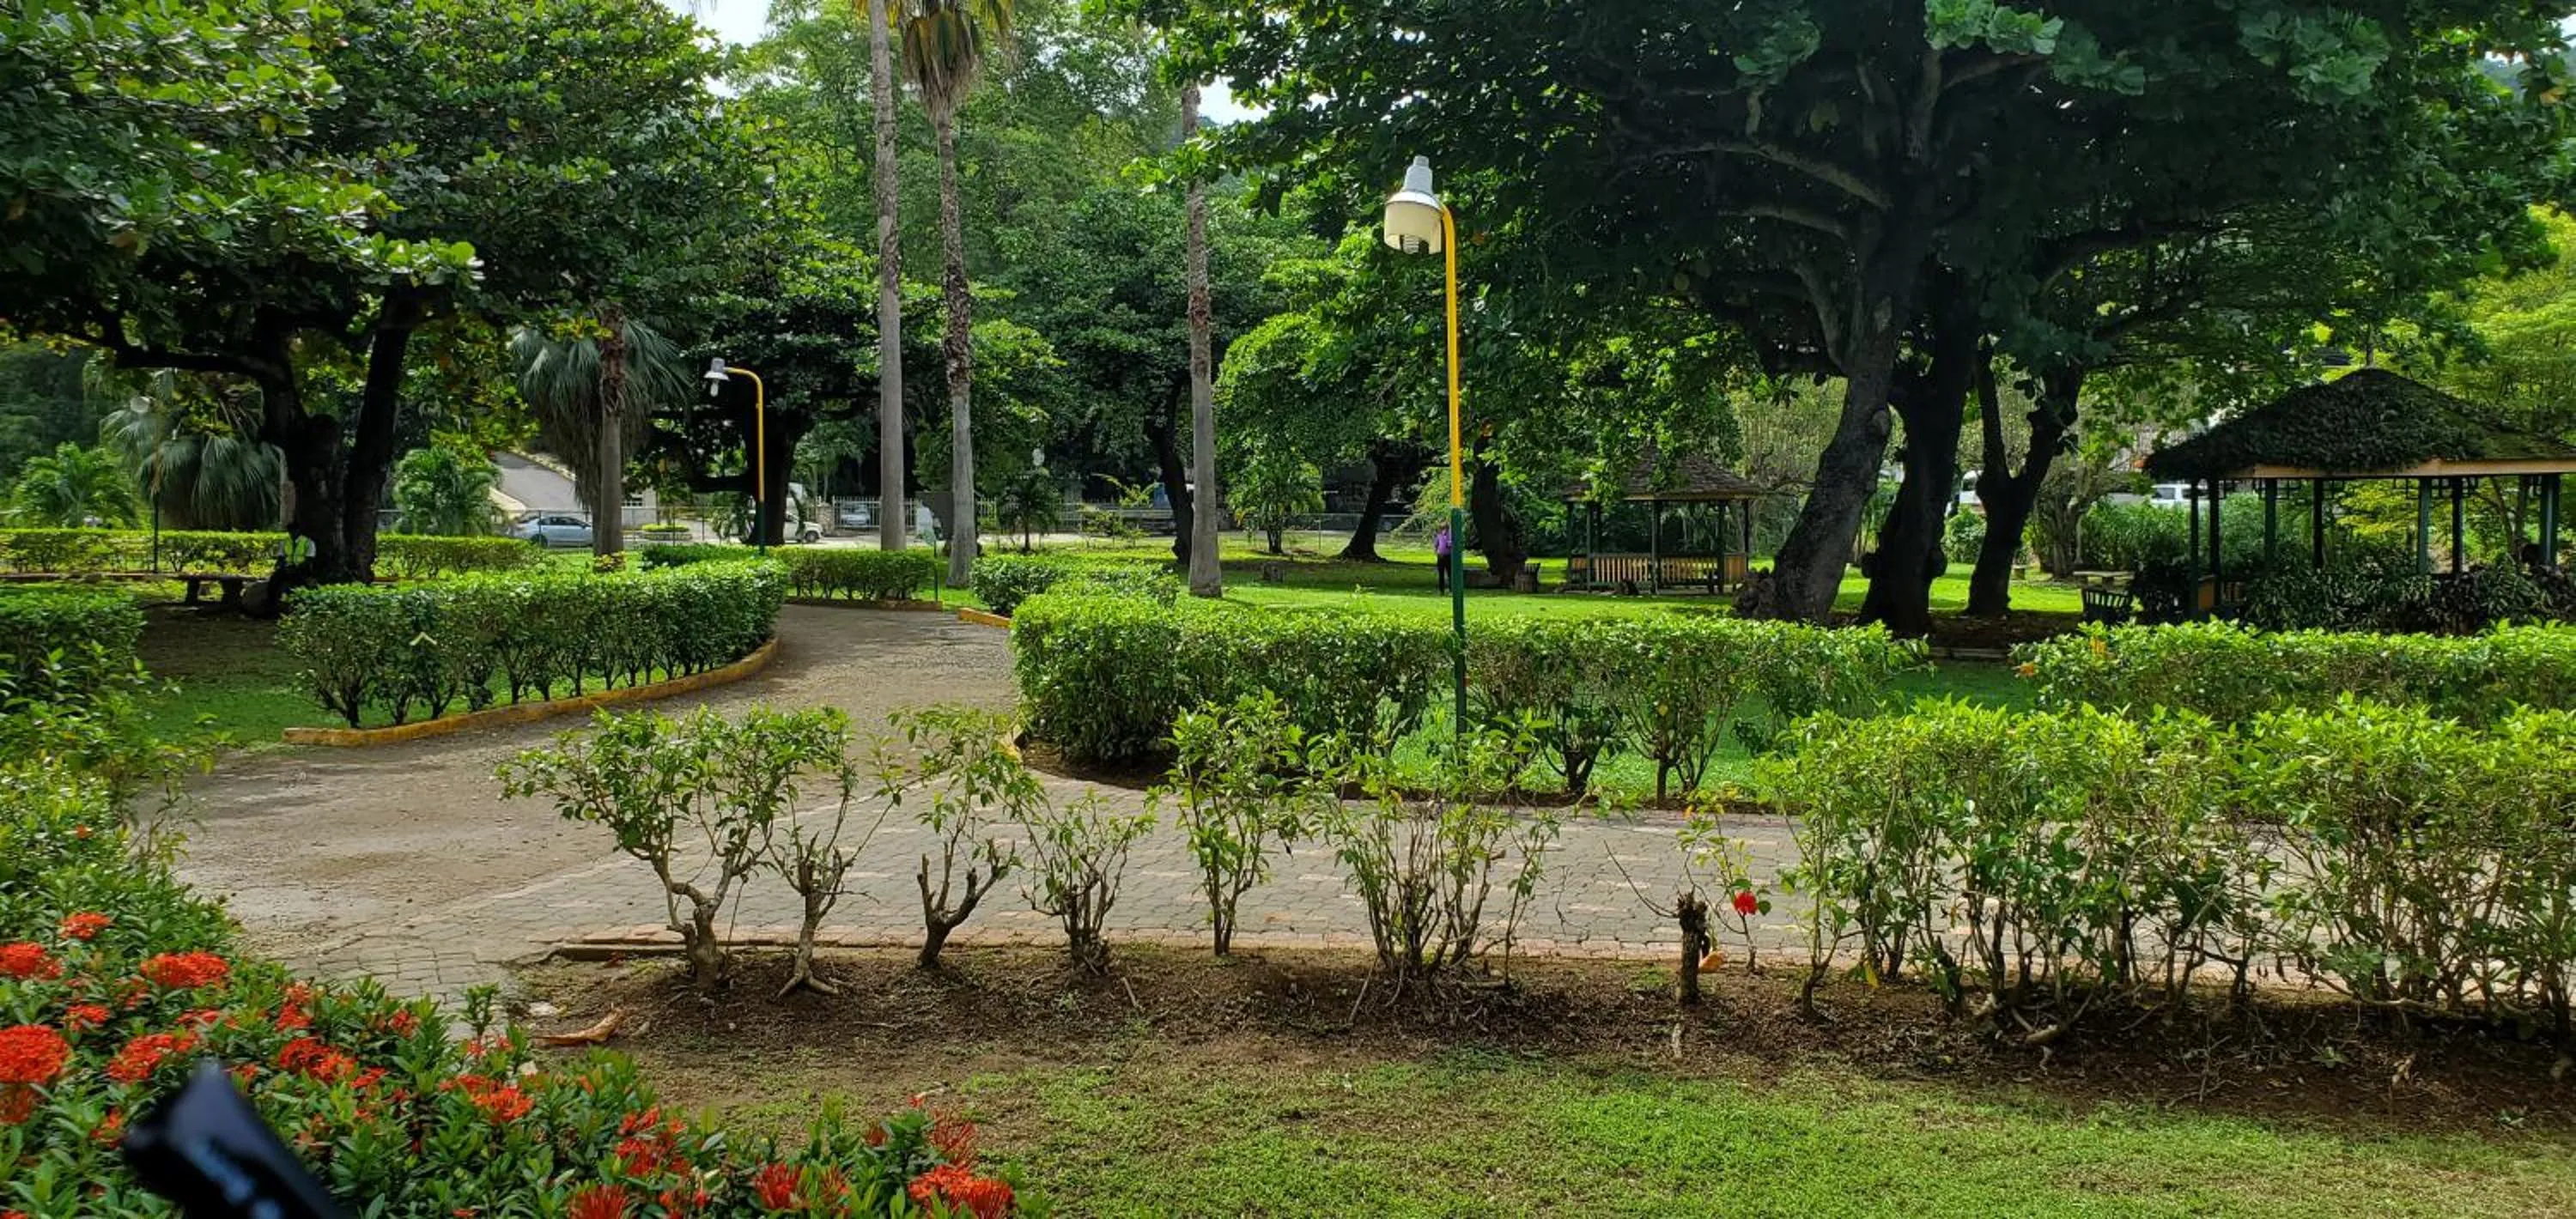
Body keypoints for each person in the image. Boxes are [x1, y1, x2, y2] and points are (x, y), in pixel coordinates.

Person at [1433, 524, 1453, 592]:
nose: (1443, 530)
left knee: (1450, 573)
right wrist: (1437, 553)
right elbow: (1436, 545)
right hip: (1441, 556)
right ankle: (1441, 589)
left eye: (1445, 529)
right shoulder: (1439, 536)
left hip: (1448, 556)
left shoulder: (1450, 536)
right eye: (1442, 529)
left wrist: (1450, 544)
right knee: (1441, 573)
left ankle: (1451, 589)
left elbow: (1451, 545)